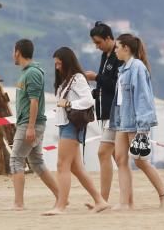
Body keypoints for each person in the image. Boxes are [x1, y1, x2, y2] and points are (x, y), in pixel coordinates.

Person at [44, 47, 110, 215]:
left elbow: (88, 100)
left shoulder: (77, 79)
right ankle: (100, 201)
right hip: (66, 124)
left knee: (62, 164)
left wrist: (69, 104)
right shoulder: (66, 81)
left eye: (59, 63)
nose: (57, 67)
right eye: (56, 64)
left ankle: (61, 205)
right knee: (76, 167)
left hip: (71, 125)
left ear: (67, 62)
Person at [111, 33, 164, 210]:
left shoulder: (137, 68)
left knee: (140, 161)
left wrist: (142, 127)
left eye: (117, 47)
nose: (115, 51)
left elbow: (143, 97)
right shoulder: (123, 69)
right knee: (120, 159)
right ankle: (124, 203)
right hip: (122, 119)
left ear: (126, 48)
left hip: (135, 122)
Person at [10, 39, 58, 210]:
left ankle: (18, 203)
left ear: (18, 52)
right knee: (36, 162)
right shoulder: (26, 73)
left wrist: (30, 126)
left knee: (16, 160)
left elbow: (34, 101)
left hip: (30, 124)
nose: (12, 55)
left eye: (13, 51)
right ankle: (61, 197)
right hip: (30, 124)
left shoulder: (32, 73)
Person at [84, 21, 120, 201]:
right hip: (103, 111)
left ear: (108, 38)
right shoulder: (105, 55)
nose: (97, 47)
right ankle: (125, 195)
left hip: (115, 112)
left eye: (98, 42)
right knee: (118, 157)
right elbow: (103, 86)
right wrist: (90, 92)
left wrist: (96, 77)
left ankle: (102, 199)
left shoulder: (119, 55)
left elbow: (116, 86)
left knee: (103, 153)